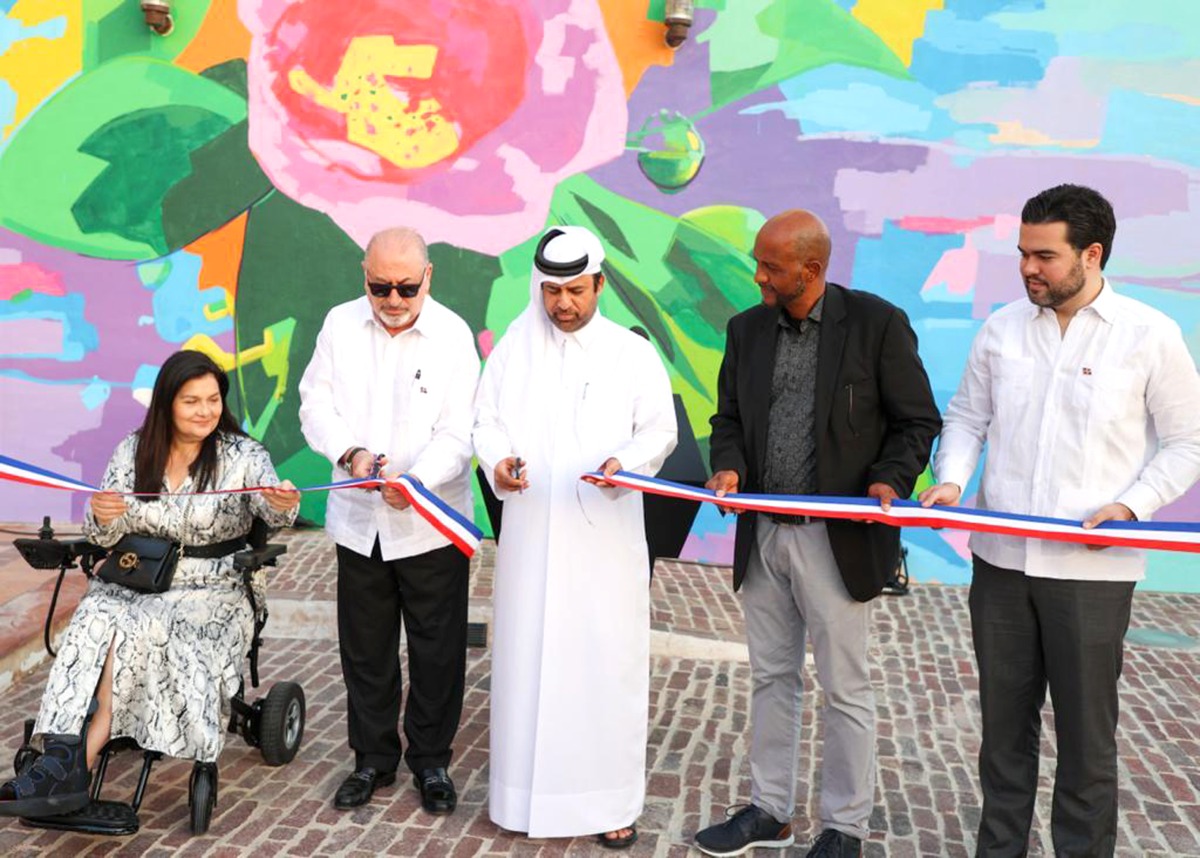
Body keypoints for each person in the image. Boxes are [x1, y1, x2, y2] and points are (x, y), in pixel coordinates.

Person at [919, 184, 1200, 856]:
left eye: (1044, 255)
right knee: (1002, 737)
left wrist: (1132, 506)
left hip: (1092, 574)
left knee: (1086, 744)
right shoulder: (1001, 329)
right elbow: (967, 419)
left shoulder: (1149, 335)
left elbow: (1188, 441)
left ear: (1092, 254)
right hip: (1000, 566)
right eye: (1023, 253)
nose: (1027, 268)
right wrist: (952, 477)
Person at [696, 210, 941, 857]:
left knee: (845, 688)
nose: (758, 276)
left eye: (770, 267)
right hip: (763, 536)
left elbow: (916, 421)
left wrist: (889, 480)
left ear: (811, 270)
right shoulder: (746, 330)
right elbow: (728, 417)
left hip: (838, 540)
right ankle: (769, 811)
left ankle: (844, 827)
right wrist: (729, 465)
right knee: (771, 677)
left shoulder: (877, 325)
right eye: (758, 262)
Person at [0, 349, 299, 818]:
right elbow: (105, 535)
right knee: (91, 620)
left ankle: (71, 764)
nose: (205, 411)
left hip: (212, 588)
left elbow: (272, 510)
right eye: (191, 401)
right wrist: (103, 517)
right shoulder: (133, 450)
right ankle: (61, 755)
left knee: (137, 626)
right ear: (167, 403)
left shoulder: (244, 455)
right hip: (135, 576)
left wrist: (280, 501)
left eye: (213, 399)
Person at [473, 226, 677, 849]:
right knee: (527, 662)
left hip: (603, 545)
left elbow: (659, 431)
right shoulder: (514, 348)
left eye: (576, 291)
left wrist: (625, 464)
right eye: (553, 291)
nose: (563, 304)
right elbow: (485, 421)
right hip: (531, 539)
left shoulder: (631, 353)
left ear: (600, 285)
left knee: (603, 665)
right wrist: (498, 461)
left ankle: (609, 803)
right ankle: (520, 798)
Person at [298, 227, 479, 815]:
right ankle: (372, 759)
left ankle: (431, 761)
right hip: (359, 522)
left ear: (429, 277)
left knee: (437, 650)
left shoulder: (453, 335)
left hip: (430, 521)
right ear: (364, 275)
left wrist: (417, 480)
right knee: (366, 649)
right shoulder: (338, 324)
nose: (394, 299)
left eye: (406, 287)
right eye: (380, 287)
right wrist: (349, 453)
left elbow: (460, 430)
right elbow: (315, 404)